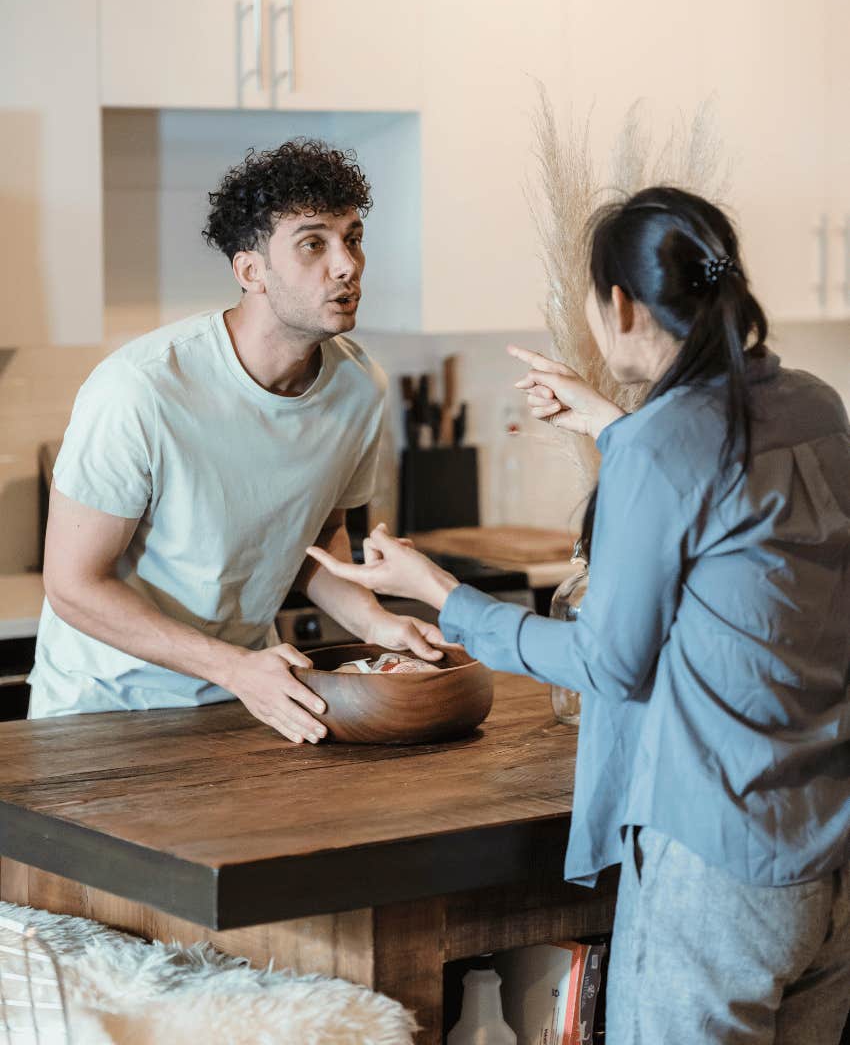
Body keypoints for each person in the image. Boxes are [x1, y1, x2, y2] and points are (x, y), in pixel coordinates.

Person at [306, 187, 850, 1044]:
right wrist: (613, 426)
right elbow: (722, 500)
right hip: (822, 860)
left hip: (712, 866)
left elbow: (607, 663)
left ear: (622, 305)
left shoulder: (665, 446)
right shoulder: (816, 407)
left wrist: (443, 594)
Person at [30, 138, 444, 742]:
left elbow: (313, 540)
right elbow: (73, 586)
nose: (347, 265)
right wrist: (234, 669)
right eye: (313, 243)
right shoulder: (141, 389)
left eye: (352, 237)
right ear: (250, 270)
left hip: (246, 700)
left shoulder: (359, 387)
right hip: (102, 710)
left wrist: (378, 623)